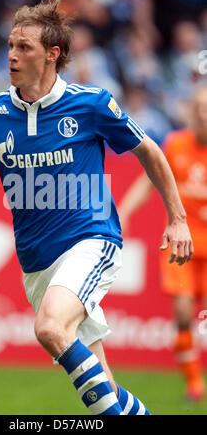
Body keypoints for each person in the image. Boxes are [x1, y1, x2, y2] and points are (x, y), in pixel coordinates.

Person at [0, 0, 193, 415]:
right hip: (37, 263)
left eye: (24, 47)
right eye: (10, 44)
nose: (11, 54)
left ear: (52, 54)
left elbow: (151, 151)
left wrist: (178, 218)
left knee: (48, 327)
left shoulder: (91, 103)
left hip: (91, 239)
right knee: (105, 388)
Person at [118, 86, 207, 402]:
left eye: (206, 108)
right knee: (183, 312)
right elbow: (148, 179)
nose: (202, 113)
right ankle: (194, 383)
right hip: (183, 241)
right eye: (198, 107)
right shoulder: (176, 144)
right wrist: (125, 211)